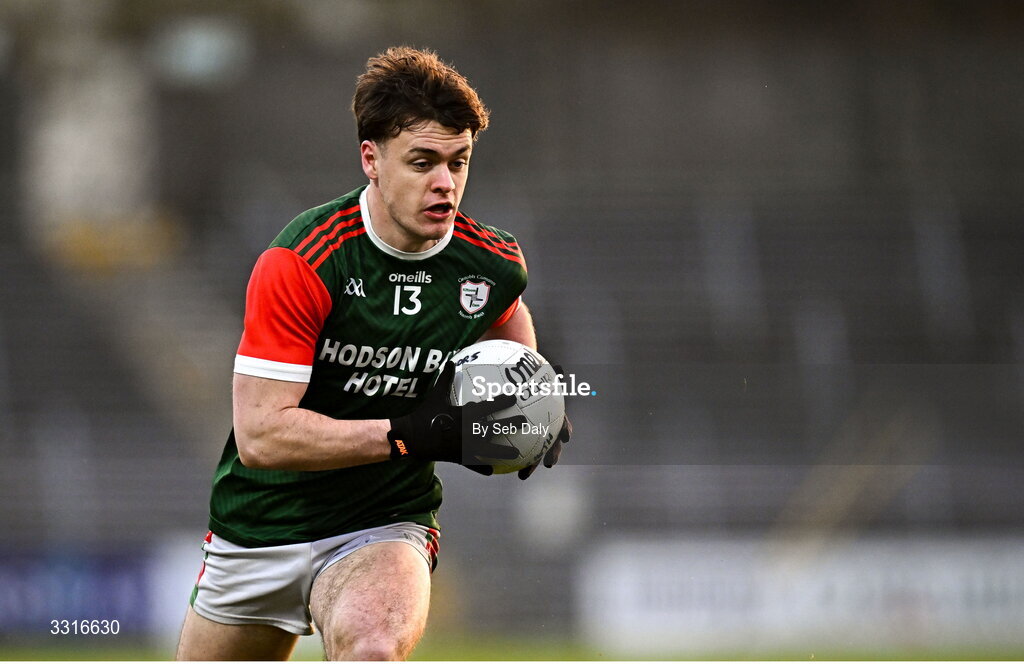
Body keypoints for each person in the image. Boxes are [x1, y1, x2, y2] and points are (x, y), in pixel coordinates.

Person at [174, 46, 571, 661]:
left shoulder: (489, 261)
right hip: (257, 526)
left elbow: (505, 313)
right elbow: (261, 436)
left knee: (373, 646)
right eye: (423, 162)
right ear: (372, 160)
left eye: (458, 162)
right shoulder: (303, 260)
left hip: (383, 521)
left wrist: (532, 393)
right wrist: (408, 435)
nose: (445, 183)